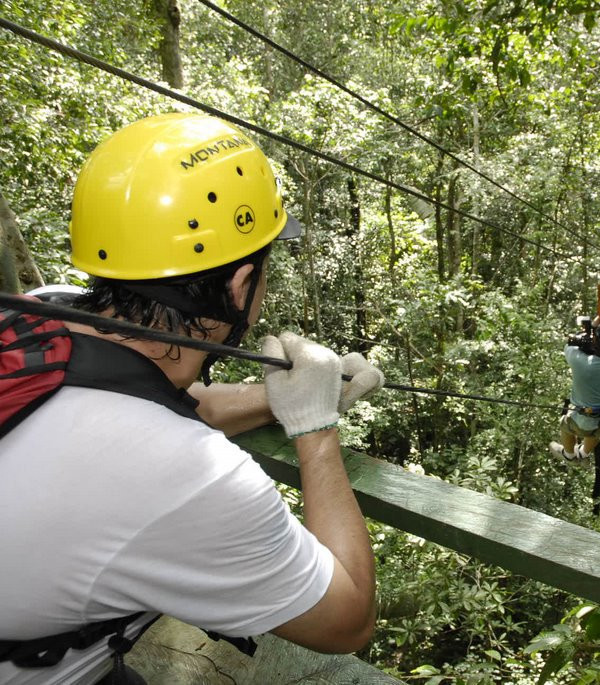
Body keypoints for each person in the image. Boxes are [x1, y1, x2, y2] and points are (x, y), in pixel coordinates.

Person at [0, 113, 384, 684]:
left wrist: (288, 395)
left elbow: (171, 407)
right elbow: (347, 620)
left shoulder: (41, 312)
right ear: (239, 286)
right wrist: (315, 428)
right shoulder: (191, 477)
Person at [549, 316, 600, 461]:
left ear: (596, 341)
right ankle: (584, 453)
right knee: (596, 430)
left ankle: (570, 455)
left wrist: (591, 327)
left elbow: (570, 344)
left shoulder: (580, 362)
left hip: (583, 423)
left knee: (565, 425)